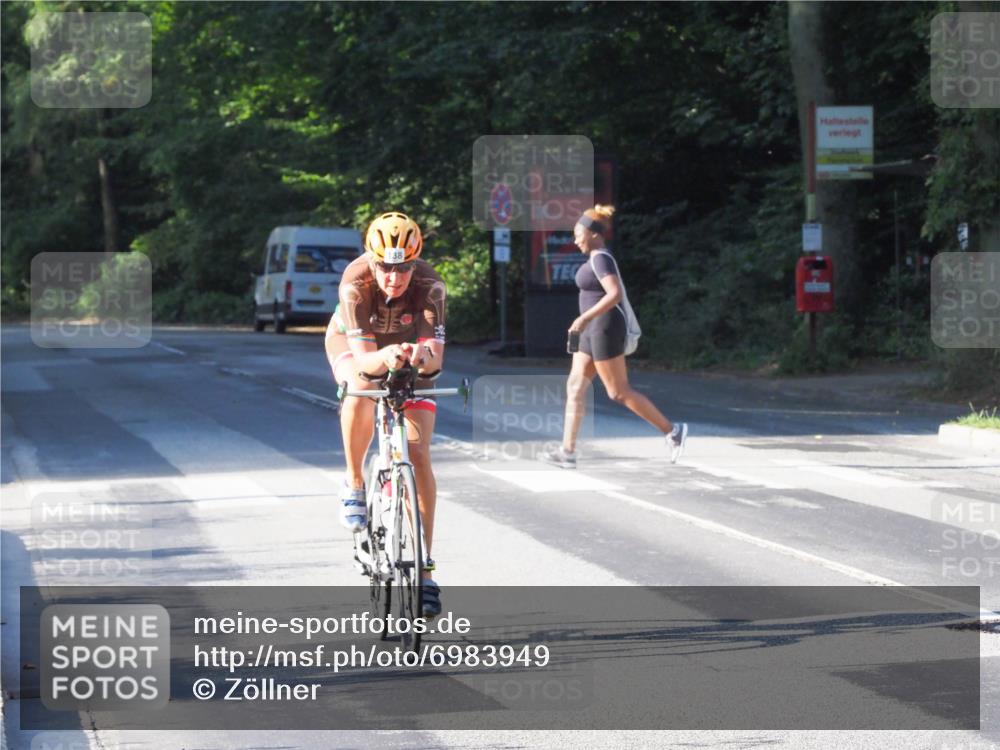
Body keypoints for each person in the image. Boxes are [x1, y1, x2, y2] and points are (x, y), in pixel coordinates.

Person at [325, 212, 447, 616]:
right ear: (371, 261)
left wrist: (421, 354)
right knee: (360, 389)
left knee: (419, 453)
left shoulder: (431, 286)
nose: (394, 278)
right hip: (356, 346)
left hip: (407, 350)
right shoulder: (354, 284)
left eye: (404, 268)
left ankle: (425, 571)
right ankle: (354, 482)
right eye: (385, 267)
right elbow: (364, 362)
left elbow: (435, 361)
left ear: (416, 264)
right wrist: (386, 355)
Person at [540, 204, 687, 468]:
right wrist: (584, 323)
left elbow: (614, 293)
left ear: (594, 234)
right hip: (591, 329)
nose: (575, 240)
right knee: (575, 386)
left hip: (604, 327)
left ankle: (673, 431)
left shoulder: (601, 258)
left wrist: (583, 319)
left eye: (578, 235)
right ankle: (567, 452)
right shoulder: (594, 257)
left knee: (618, 392)